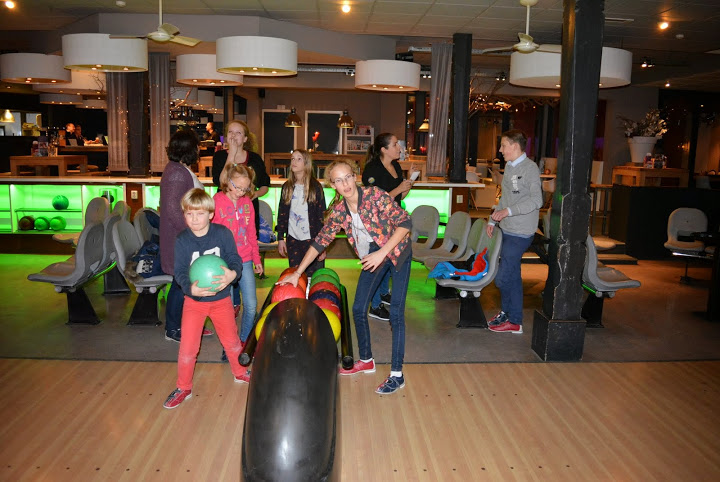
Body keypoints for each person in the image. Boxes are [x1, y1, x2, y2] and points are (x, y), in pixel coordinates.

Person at [279, 159, 412, 395]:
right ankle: (367, 360)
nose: (346, 184)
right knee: (359, 308)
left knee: (396, 313)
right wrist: (297, 273)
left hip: (398, 250)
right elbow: (319, 241)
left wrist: (382, 253)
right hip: (374, 253)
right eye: (339, 180)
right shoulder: (340, 212)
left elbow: (405, 222)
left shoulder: (374, 195)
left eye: (348, 177)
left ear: (355, 176)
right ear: (333, 185)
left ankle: (397, 375)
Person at [162, 188, 247, 409]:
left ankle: (240, 372)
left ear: (210, 214)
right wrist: (190, 289)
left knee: (232, 342)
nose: (194, 219)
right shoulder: (182, 240)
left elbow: (234, 259)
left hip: (221, 301)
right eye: (189, 214)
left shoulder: (222, 234)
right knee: (188, 348)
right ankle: (184, 387)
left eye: (199, 214)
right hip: (194, 303)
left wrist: (232, 274)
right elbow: (180, 272)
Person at [485, 129, 543, 334]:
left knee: (503, 278)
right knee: (513, 276)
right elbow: (505, 198)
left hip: (521, 232)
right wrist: (493, 219)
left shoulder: (530, 169)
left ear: (515, 146)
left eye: (503, 145)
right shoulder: (510, 167)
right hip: (507, 229)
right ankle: (512, 318)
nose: (500, 150)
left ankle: (512, 317)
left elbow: (537, 201)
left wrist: (508, 211)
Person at [160, 129, 212, 343]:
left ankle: (190, 325)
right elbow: (173, 210)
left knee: (187, 283)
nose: (199, 150)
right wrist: (193, 233)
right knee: (180, 285)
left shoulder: (178, 169)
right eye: (197, 146)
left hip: (182, 237)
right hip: (180, 239)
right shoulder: (176, 173)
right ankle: (173, 329)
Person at [361, 133, 415, 322]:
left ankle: (384, 294)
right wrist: (399, 189)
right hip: (379, 224)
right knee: (379, 263)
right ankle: (374, 306)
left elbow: (399, 198)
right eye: (395, 144)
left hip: (394, 222)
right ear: (384, 149)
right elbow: (375, 203)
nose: (399, 148)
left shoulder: (396, 166)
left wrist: (407, 186)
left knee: (389, 259)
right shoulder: (372, 170)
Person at [212, 163, 263, 346]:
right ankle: (230, 344)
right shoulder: (216, 201)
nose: (241, 192)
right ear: (228, 181)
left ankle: (243, 342)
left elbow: (251, 234)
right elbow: (211, 234)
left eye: (245, 188)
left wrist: (257, 259)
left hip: (245, 259)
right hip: (223, 261)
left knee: (251, 305)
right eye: (237, 187)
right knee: (226, 308)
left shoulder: (247, 203)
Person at [276, 149, 327, 277]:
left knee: (313, 277)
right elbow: (282, 214)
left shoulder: (315, 187)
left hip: (313, 240)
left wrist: (322, 245)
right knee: (296, 274)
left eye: (299, 159)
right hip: (293, 240)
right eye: (292, 159)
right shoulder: (287, 187)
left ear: (306, 163)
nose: (294, 161)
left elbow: (322, 217)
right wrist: (280, 238)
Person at [211, 120, 270, 231]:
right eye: (230, 132)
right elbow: (221, 182)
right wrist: (232, 154)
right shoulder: (219, 156)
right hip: (224, 210)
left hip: (248, 210)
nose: (233, 135)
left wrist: (254, 195)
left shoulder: (255, 158)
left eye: (238, 133)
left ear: (245, 139)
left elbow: (265, 185)